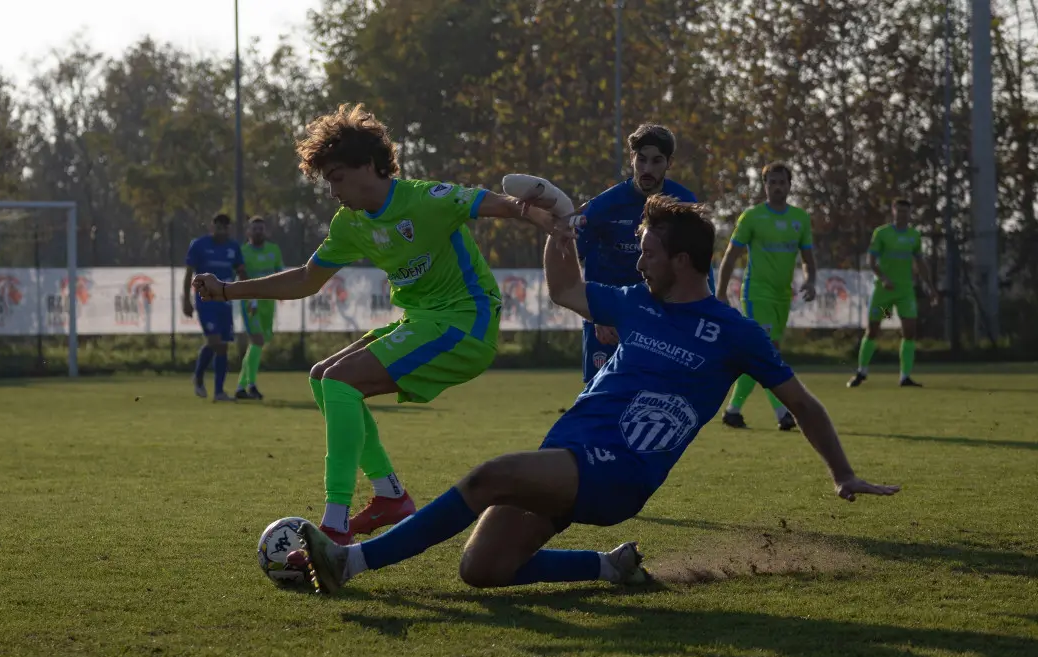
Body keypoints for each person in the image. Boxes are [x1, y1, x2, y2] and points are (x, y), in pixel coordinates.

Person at [286, 195, 899, 594]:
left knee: (489, 476)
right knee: (482, 570)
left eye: (649, 252)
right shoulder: (635, 302)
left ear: (684, 261)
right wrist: (560, 232)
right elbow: (565, 291)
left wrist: (842, 473)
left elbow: (803, 403)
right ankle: (610, 566)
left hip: (618, 471)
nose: (639, 261)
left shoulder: (734, 332)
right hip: (568, 451)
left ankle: (350, 561)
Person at [192, 102, 570, 546]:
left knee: (340, 381)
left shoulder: (423, 199)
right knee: (322, 377)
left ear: (369, 166)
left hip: (465, 324)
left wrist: (532, 211)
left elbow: (489, 202)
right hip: (424, 321)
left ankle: (334, 524)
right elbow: (306, 279)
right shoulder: (350, 223)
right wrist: (227, 291)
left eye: (336, 177)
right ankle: (390, 496)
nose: (332, 191)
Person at [576, 123, 700, 383]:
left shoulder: (684, 205)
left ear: (669, 163)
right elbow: (571, 260)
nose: (647, 169)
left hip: (661, 320)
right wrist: (594, 313)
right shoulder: (603, 206)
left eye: (656, 161)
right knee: (599, 398)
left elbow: (699, 269)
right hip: (607, 322)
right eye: (641, 159)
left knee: (655, 396)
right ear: (632, 158)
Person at [715, 162, 818, 431]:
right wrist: (721, 292)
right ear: (765, 185)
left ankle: (733, 411)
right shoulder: (752, 217)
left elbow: (808, 259)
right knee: (768, 351)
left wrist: (811, 280)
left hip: (783, 296)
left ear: (790, 185)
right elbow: (730, 256)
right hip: (756, 293)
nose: (777, 187)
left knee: (764, 354)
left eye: (782, 182)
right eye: (772, 182)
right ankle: (783, 413)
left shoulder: (800, 218)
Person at [848, 198, 938, 388]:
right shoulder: (882, 233)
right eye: (900, 211)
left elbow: (920, 262)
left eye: (906, 211)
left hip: (905, 291)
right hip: (884, 291)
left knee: (910, 331)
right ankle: (861, 372)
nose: (903, 214)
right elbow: (871, 261)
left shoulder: (914, 236)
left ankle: (905, 376)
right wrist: (884, 278)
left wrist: (929, 286)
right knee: (873, 330)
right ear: (893, 212)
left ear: (910, 213)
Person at [183, 213, 247, 402]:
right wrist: (186, 300)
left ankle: (217, 390)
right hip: (205, 302)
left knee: (222, 345)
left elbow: (242, 273)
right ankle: (201, 378)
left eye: (225, 227)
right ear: (212, 227)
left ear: (229, 229)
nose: (221, 230)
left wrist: (250, 298)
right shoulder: (199, 245)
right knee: (215, 342)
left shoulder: (233, 247)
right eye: (218, 226)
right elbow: (188, 273)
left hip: (225, 303)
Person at [235, 216, 285, 400]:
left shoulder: (274, 250)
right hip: (251, 302)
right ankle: (251, 385)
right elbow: (241, 276)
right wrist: (251, 298)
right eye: (254, 229)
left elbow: (279, 273)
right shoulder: (243, 252)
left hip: (268, 302)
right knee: (257, 340)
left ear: (266, 231)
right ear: (248, 231)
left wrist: (282, 291)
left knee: (258, 343)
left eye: (261, 229)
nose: (258, 232)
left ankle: (241, 386)